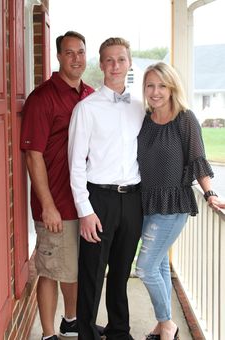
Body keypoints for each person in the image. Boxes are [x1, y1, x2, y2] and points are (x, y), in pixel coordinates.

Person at [135, 61, 225, 340]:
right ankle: (164, 325)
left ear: (172, 87)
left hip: (173, 204)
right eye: (150, 85)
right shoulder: (146, 120)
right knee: (160, 264)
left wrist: (210, 193)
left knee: (145, 267)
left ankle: (167, 325)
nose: (155, 91)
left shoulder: (185, 119)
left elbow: (198, 159)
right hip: (146, 202)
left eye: (162, 85)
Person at [68, 37, 145, 340]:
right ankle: (86, 333)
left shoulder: (140, 107)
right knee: (92, 274)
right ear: (100, 64)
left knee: (121, 273)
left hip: (133, 200)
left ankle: (119, 332)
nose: (115, 66)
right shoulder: (86, 109)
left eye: (121, 59)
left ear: (129, 63)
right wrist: (85, 211)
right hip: (98, 199)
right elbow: (75, 165)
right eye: (109, 60)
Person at [20, 31, 95, 340]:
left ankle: (71, 320)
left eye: (80, 52)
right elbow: (33, 155)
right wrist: (47, 205)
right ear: (59, 57)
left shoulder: (90, 94)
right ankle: (49, 333)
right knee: (51, 270)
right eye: (69, 53)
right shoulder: (43, 97)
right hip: (56, 205)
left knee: (74, 268)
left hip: (84, 204)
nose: (76, 58)